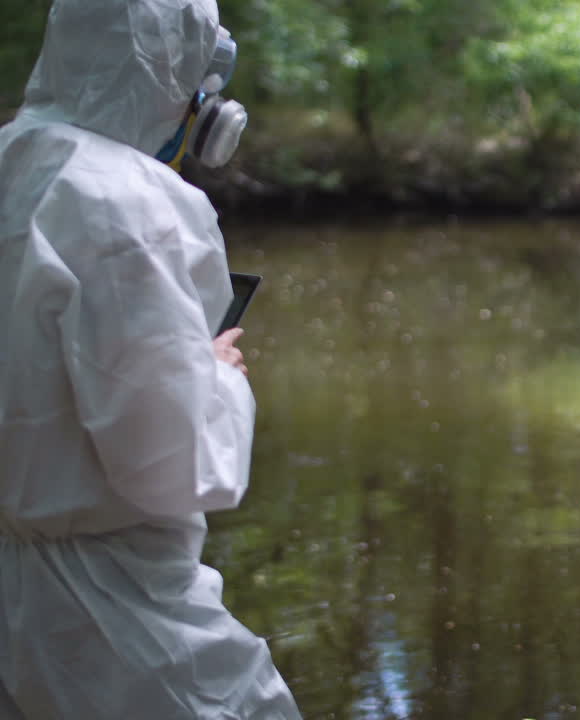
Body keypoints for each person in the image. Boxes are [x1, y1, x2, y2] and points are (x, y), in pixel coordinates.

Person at [0, 0, 300, 717]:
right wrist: (218, 379)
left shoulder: (15, 160)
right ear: (172, 69)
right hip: (112, 613)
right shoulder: (127, 201)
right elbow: (176, 465)